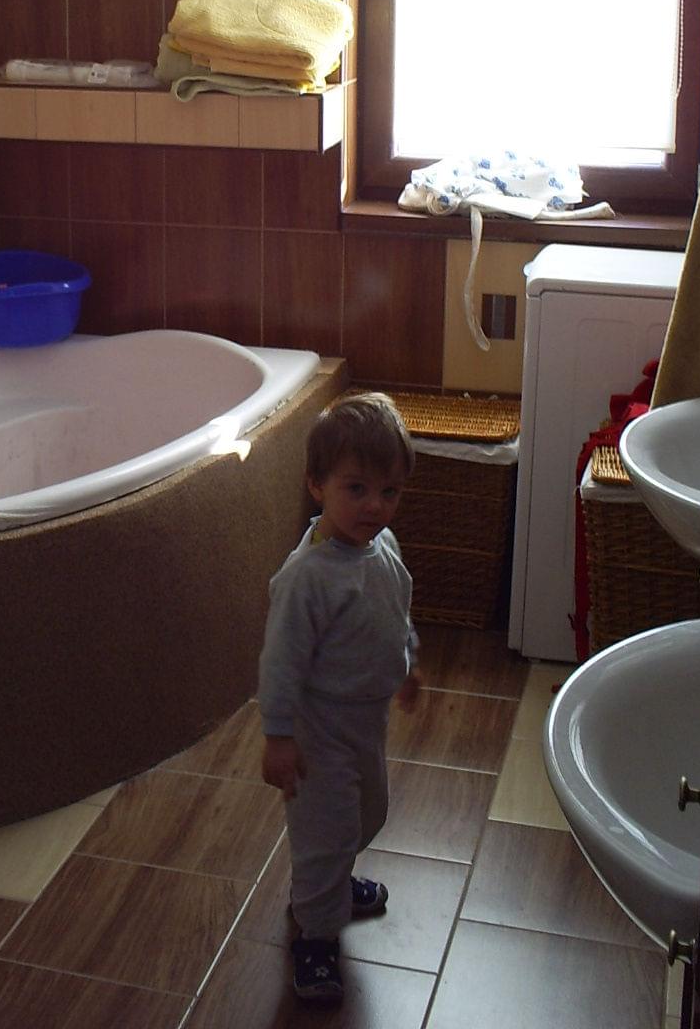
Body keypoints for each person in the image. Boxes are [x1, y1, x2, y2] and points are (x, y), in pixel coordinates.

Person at [257, 392, 420, 1003]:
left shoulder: (383, 546)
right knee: (325, 830)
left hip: (366, 721)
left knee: (367, 812)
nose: (374, 506)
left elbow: (395, 610)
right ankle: (316, 936)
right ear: (316, 484)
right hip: (317, 729)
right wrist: (278, 735)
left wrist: (407, 662)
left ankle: (333, 881)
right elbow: (280, 663)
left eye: (389, 491)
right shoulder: (308, 577)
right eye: (356, 489)